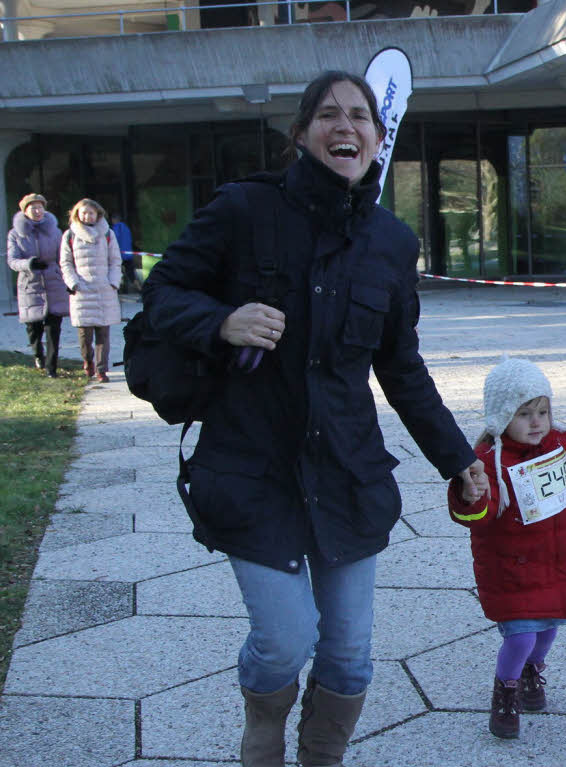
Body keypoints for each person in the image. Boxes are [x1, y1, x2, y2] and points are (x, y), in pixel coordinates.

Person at [141, 70, 489, 767]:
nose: (346, 126)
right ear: (300, 134)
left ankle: (320, 758)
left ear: (378, 140)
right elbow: (161, 291)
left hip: (347, 471)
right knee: (284, 638)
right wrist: (223, 320)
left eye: (360, 116)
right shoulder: (243, 209)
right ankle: (262, 729)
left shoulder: (391, 244)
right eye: (328, 114)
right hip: (251, 467)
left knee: (351, 659)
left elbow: (402, 369)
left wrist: (460, 457)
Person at [447, 357, 566, 740]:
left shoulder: (561, 445)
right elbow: (477, 511)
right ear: (501, 418)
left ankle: (533, 670)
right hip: (512, 570)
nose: (536, 422)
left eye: (542, 412)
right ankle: (506, 689)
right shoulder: (488, 463)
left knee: (547, 630)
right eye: (524, 414)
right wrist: (469, 494)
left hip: (558, 562)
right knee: (521, 635)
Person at [6, 193, 69, 378]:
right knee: (34, 328)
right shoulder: (15, 234)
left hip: (53, 283)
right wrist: (29, 264)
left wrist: (62, 274)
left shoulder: (55, 231)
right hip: (30, 284)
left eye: (40, 207)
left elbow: (63, 256)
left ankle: (51, 367)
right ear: (25, 211)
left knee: (53, 328)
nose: (37, 210)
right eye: (33, 207)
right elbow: (12, 260)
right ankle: (38, 355)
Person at [59, 198, 122, 383]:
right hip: (82, 291)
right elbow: (66, 262)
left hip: (104, 289)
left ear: (98, 214)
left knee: (103, 333)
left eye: (91, 212)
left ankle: (102, 369)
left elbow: (115, 260)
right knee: (84, 335)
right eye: (84, 212)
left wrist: (113, 282)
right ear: (77, 214)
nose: (88, 216)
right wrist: (74, 283)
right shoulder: (70, 235)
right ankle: (88, 362)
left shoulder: (108, 234)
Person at [110, 213, 139, 291]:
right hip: (128, 254)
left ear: (114, 220)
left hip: (119, 254)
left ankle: (117, 290)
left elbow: (114, 240)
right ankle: (140, 290)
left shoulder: (115, 228)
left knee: (115, 272)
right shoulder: (126, 228)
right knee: (131, 274)